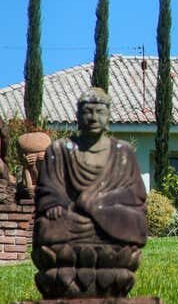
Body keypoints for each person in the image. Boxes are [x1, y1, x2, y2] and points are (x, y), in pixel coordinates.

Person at [34, 87, 147, 248]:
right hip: (73, 217)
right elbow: (48, 188)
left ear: (108, 116)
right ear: (77, 116)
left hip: (109, 214)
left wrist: (97, 202)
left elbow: (136, 193)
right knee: (47, 226)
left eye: (100, 112)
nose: (93, 118)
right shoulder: (59, 150)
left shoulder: (123, 151)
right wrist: (54, 204)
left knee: (135, 223)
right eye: (87, 112)